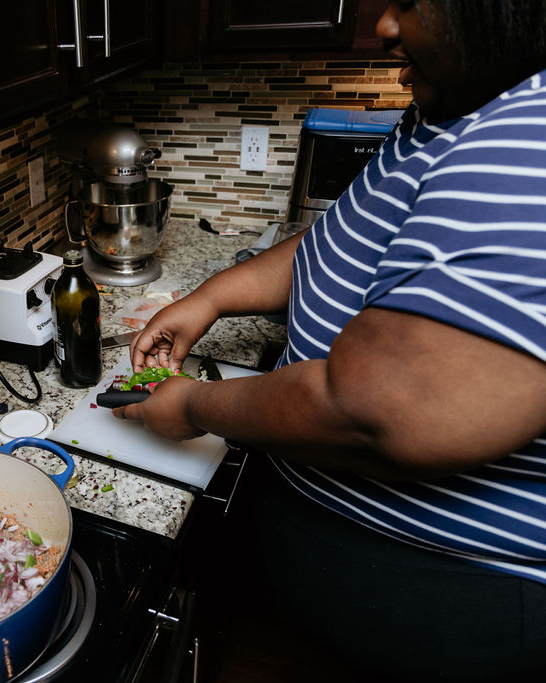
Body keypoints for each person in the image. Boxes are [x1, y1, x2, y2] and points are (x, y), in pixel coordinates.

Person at [113, 1, 546, 680]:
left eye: (410, 1)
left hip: (449, 604)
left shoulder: (532, 136)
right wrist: (212, 297)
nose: (384, 25)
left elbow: (378, 412)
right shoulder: (448, 111)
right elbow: (338, 242)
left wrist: (192, 405)